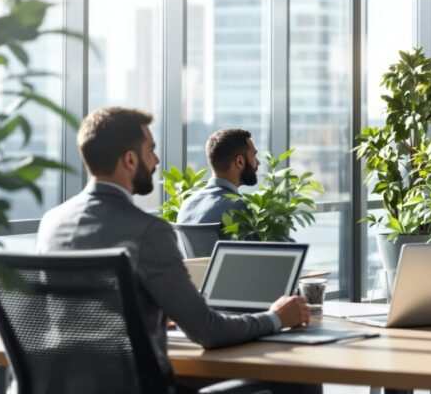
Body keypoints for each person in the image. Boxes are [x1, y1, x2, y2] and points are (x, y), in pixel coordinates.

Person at [36, 107, 314, 393]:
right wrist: (276, 317)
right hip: (136, 386)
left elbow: (79, 313)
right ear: (130, 160)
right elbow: (208, 331)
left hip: (65, 383)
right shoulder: (148, 231)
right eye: (151, 150)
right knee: (298, 380)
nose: (156, 160)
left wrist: (153, 315)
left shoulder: (51, 223)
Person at [178, 128, 259, 224]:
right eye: (254, 155)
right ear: (240, 161)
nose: (258, 162)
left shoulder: (187, 205)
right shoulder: (240, 208)